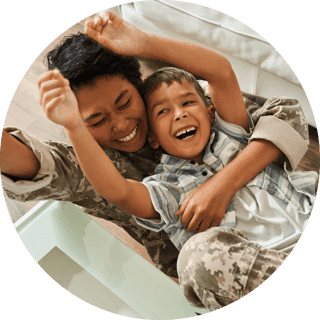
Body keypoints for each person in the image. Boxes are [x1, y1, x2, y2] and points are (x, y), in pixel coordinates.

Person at [0, 10, 313, 309]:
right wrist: (73, 127)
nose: (121, 125)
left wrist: (221, 186)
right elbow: (117, 191)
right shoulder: (164, 187)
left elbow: (273, 106)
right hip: (237, 268)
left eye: (125, 103)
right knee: (196, 258)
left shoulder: (197, 109)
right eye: (96, 120)